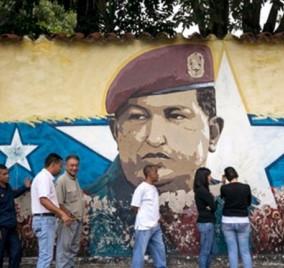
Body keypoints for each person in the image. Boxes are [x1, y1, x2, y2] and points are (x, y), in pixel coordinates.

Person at [85, 44, 223, 256]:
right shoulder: (91, 209)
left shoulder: (227, 204)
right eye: (138, 117)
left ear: (212, 133)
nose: (155, 138)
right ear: (116, 132)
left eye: (176, 115)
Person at [31, 153, 72, 268]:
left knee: (47, 257)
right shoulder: (44, 178)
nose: (61, 169)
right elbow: (43, 199)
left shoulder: (46, 178)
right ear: (53, 164)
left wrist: (63, 210)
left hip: (46, 219)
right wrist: (61, 213)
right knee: (45, 258)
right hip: (44, 219)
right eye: (60, 166)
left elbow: (49, 200)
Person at [128, 165, 174, 268]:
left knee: (159, 250)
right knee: (139, 252)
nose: (158, 175)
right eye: (156, 172)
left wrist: (157, 215)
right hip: (144, 226)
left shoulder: (153, 189)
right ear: (149, 174)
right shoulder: (141, 188)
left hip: (155, 226)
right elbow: (134, 206)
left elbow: (153, 205)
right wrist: (144, 215)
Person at [55, 155, 88, 268]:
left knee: (73, 249)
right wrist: (67, 216)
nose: (74, 168)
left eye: (76, 165)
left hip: (77, 221)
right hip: (67, 222)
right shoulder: (62, 181)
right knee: (64, 249)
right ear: (65, 166)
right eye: (71, 165)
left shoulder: (75, 180)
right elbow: (58, 204)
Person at [220, 167, 256, 268]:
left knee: (232, 251)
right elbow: (249, 203)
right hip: (242, 220)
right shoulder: (246, 187)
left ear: (226, 176)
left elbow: (223, 199)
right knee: (245, 250)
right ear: (236, 175)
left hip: (227, 221)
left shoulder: (224, 188)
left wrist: (223, 183)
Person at [194, 167, 218, 268]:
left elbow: (212, 207)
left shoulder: (202, 190)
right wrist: (212, 203)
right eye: (209, 175)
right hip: (206, 223)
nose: (211, 178)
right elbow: (213, 207)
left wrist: (211, 205)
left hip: (208, 222)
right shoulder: (202, 191)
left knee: (212, 250)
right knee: (206, 250)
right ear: (204, 177)